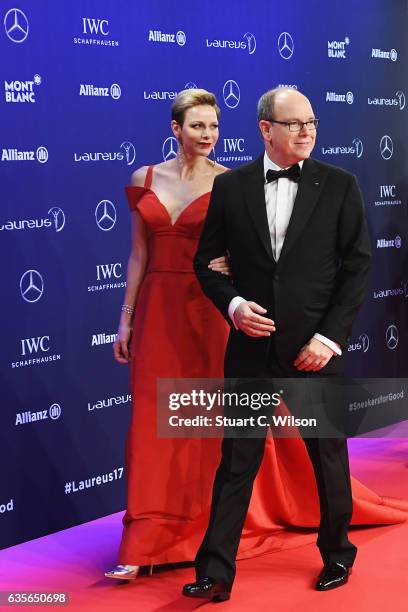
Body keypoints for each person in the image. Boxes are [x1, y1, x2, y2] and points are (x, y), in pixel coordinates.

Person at [183, 87, 372, 601]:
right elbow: (207, 263)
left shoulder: (340, 185)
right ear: (265, 129)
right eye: (294, 124)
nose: (307, 131)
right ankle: (215, 573)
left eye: (311, 121)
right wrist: (235, 306)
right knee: (237, 461)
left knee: (328, 458)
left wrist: (329, 338)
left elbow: (357, 268)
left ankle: (338, 555)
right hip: (250, 349)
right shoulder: (232, 188)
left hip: (314, 350)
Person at [105, 88, 230, 580]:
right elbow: (138, 253)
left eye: (214, 127)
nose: (208, 135)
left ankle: (203, 533)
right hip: (157, 312)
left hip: (207, 313)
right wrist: (126, 318)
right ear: (175, 128)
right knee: (152, 424)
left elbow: (252, 250)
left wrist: (232, 264)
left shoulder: (230, 183)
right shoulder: (145, 178)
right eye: (198, 126)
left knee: (203, 426)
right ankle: (143, 542)